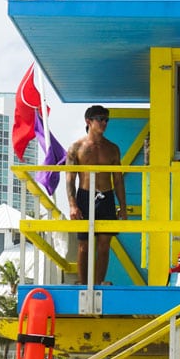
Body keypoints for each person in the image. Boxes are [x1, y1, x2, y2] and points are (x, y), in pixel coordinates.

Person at [65, 105, 127, 285]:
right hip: (85, 196)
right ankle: (83, 286)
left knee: (104, 244)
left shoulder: (112, 149)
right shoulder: (76, 147)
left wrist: (122, 207)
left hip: (106, 197)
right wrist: (72, 205)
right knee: (83, 245)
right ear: (89, 121)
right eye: (100, 119)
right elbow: (69, 179)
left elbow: (118, 180)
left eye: (107, 119)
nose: (104, 123)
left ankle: (98, 285)